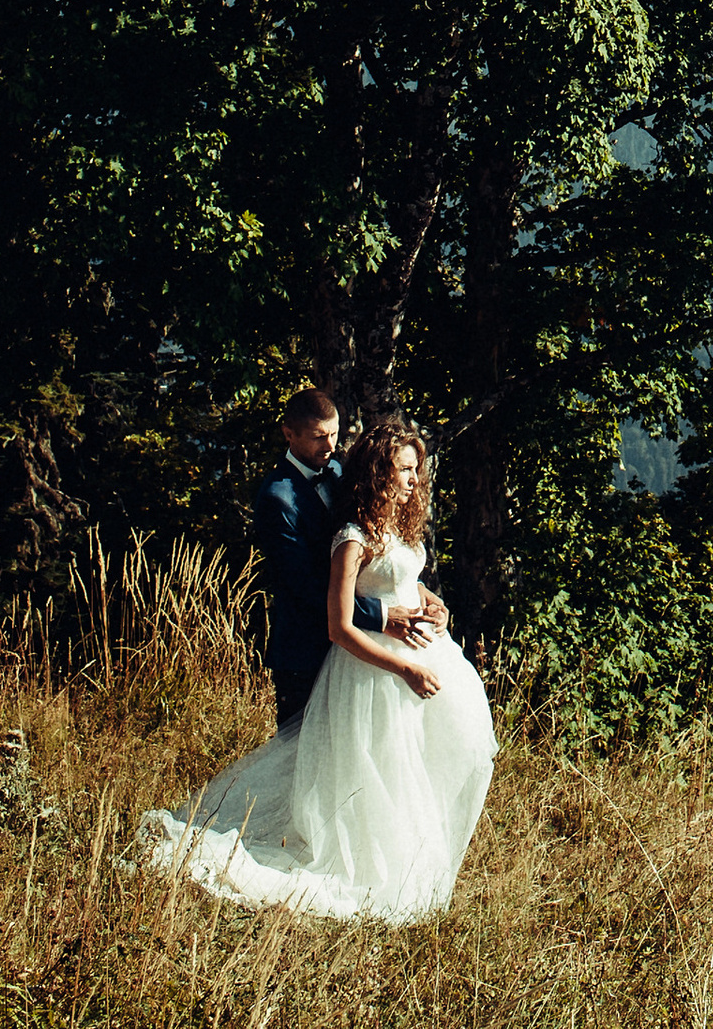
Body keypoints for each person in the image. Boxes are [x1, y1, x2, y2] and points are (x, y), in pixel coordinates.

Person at [141, 414, 499, 921]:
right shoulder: (348, 534)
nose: (414, 478)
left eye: (415, 469)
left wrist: (430, 600)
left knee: (421, 761)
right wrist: (404, 668)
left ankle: (413, 858)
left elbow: (400, 577)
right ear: (380, 472)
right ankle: (369, 863)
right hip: (374, 671)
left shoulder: (397, 522)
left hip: (419, 654)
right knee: (374, 769)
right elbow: (339, 623)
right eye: (404, 469)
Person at [255, 386, 441, 725]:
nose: (329, 445)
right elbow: (305, 587)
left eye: (334, 433)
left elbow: (376, 553)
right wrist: (380, 614)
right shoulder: (277, 498)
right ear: (289, 434)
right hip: (307, 649)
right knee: (305, 748)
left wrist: (417, 591)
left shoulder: (340, 472)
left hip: (359, 653)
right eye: (318, 437)